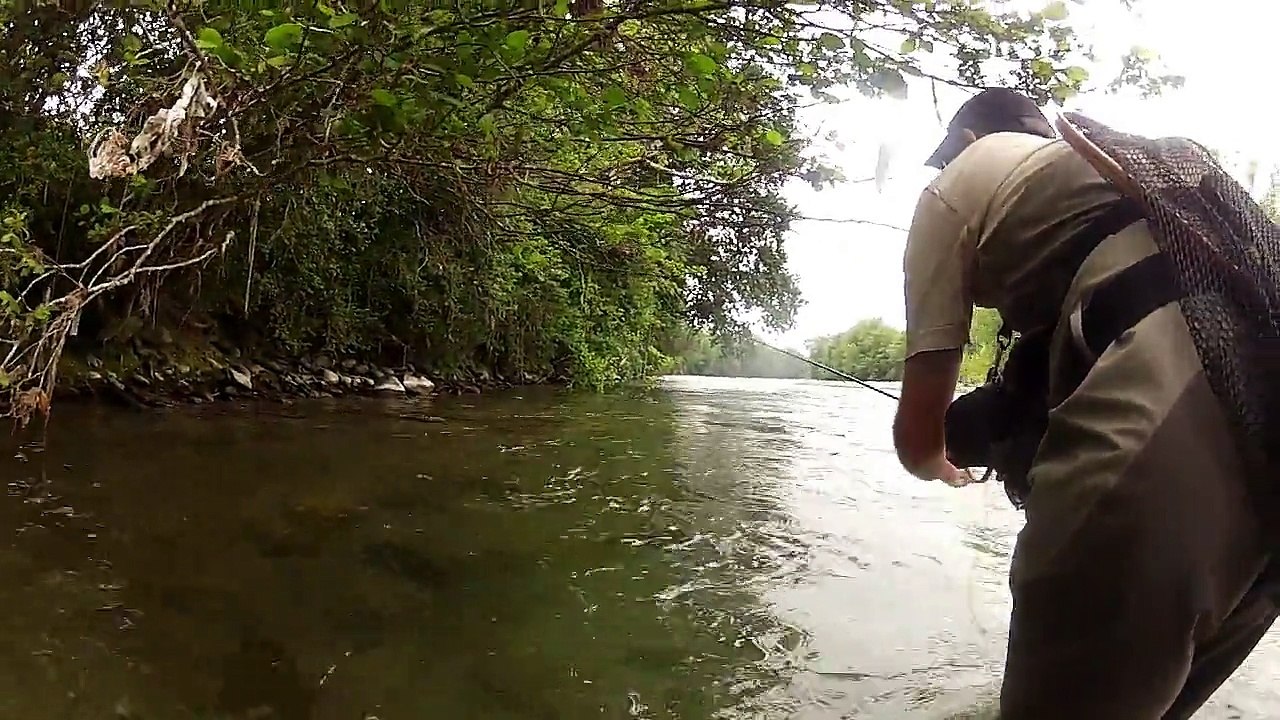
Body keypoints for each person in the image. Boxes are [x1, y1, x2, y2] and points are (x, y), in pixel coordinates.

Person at [891, 87, 1279, 719]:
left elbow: (917, 437)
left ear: (963, 142)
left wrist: (943, 463)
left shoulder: (953, 186)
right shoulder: (1106, 185)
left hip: (1171, 404)